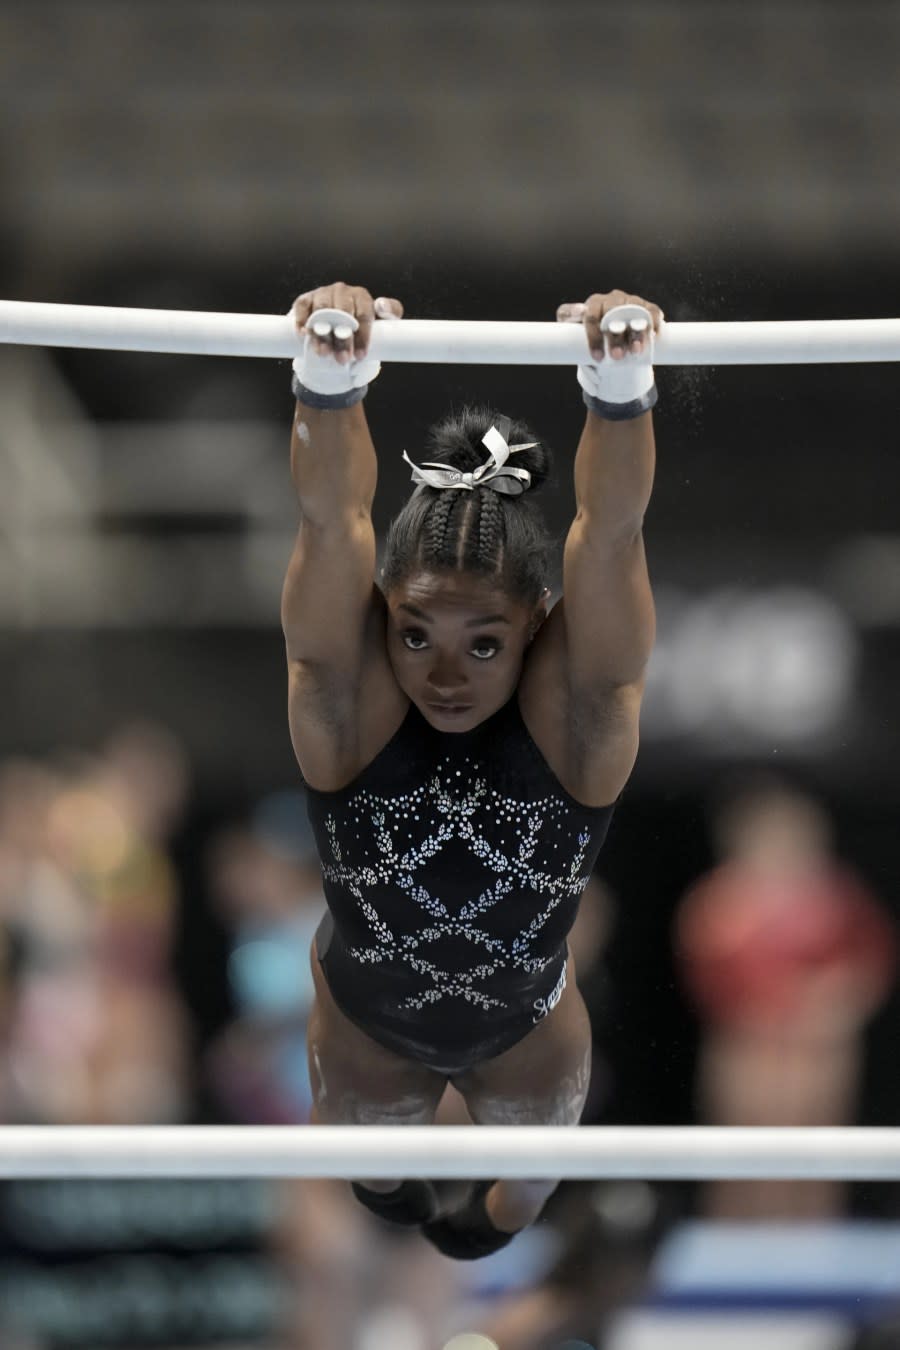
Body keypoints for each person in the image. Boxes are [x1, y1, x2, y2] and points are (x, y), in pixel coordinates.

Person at [281, 281, 661, 1258]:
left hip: (527, 1034)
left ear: (535, 626)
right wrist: (332, 378)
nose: (443, 676)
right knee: (383, 1192)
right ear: (385, 615)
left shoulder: (576, 719)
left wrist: (618, 386)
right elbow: (331, 525)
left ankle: (471, 1229)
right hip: (367, 1025)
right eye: (414, 634)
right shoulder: (348, 707)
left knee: (496, 1224)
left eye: (483, 645)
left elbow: (610, 536)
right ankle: (408, 1202)